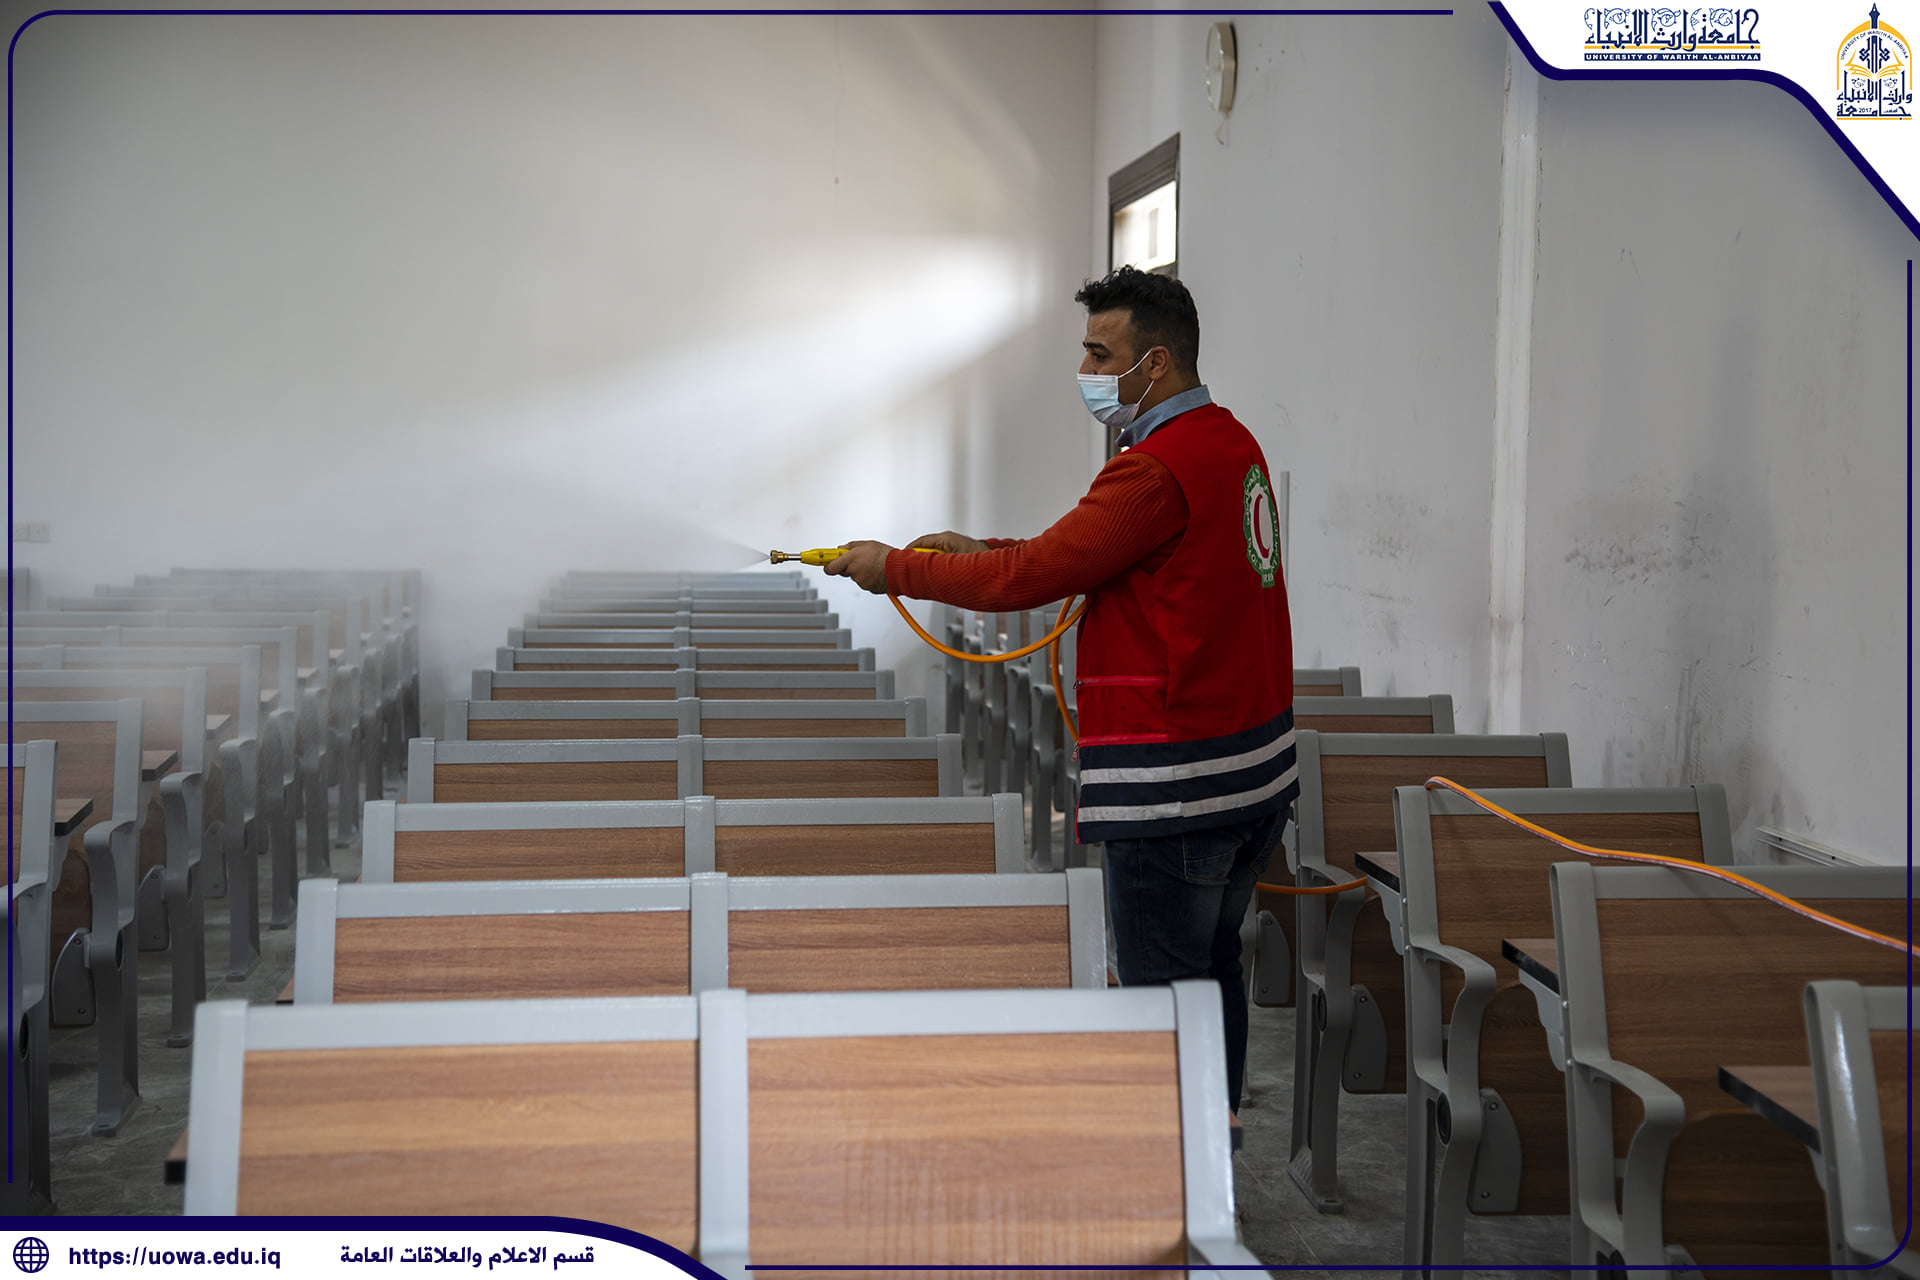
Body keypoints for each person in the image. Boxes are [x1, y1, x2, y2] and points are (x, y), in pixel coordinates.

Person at [826, 266, 1296, 1111]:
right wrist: (981, 550)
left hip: (1176, 789)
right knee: (1212, 969)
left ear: (1155, 363)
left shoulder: (1154, 468)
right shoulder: (1231, 443)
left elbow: (1034, 576)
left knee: (1160, 998)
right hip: (1250, 779)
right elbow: (1086, 554)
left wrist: (895, 568)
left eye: (1099, 354)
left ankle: (1173, 1175)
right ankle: (1215, 1151)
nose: (1085, 371)